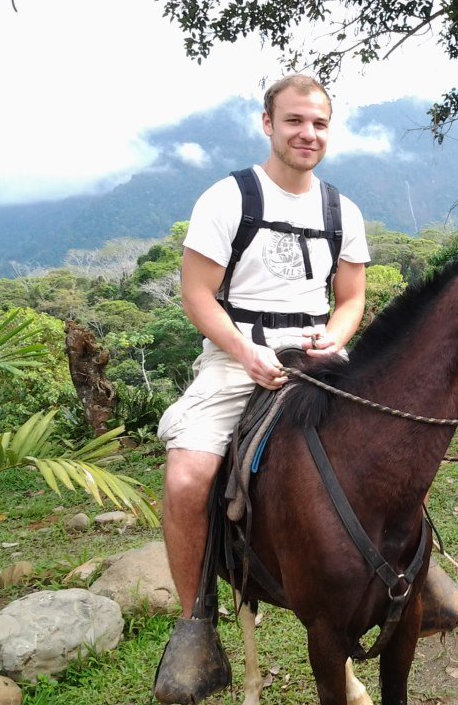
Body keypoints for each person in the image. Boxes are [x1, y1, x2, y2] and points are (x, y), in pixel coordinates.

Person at [153, 74, 370, 700]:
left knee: (389, 444)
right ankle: (195, 620)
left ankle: (419, 578)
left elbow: (351, 298)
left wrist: (334, 334)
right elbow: (197, 293)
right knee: (188, 476)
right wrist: (243, 352)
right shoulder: (228, 197)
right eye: (295, 121)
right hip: (235, 354)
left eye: (320, 123)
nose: (308, 133)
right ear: (268, 124)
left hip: (318, 353)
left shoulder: (341, 209)